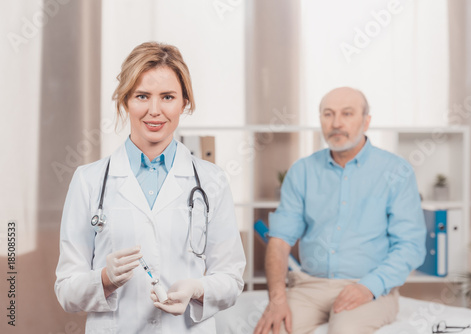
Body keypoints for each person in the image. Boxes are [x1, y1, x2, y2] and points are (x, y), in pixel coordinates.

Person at [55, 42, 246, 333]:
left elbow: (231, 280)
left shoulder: (211, 181)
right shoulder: (88, 180)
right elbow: (67, 290)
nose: (154, 111)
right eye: (142, 96)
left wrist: (197, 288)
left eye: (168, 97)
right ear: (125, 101)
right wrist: (105, 278)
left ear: (185, 103)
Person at [254, 87, 426, 334]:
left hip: (367, 285)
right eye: (328, 114)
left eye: (347, 114)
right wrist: (277, 299)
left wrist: (369, 286)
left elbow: (410, 245)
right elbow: (280, 241)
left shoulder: (396, 171)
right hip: (309, 286)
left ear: (366, 121)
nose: (336, 123)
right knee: (271, 331)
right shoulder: (302, 171)